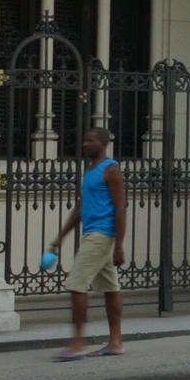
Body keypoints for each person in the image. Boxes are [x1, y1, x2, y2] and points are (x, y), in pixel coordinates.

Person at [51, 126, 128, 359]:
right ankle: (116, 343)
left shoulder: (110, 170)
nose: (84, 145)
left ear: (104, 143)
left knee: (76, 284)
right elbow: (80, 207)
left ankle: (77, 344)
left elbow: (120, 208)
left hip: (101, 235)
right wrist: (61, 236)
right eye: (83, 141)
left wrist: (119, 245)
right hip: (93, 234)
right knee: (110, 288)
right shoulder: (90, 171)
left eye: (90, 141)